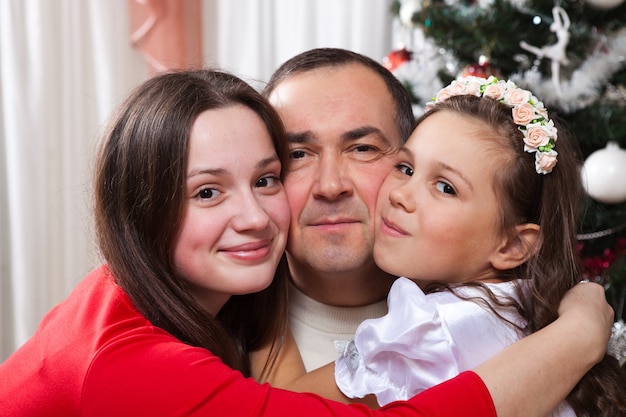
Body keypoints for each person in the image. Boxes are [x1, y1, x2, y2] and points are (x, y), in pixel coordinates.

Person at [0, 68, 504, 417]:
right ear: (141, 212)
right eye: (207, 191)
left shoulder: (198, 293)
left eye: (265, 180)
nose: (254, 217)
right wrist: (576, 336)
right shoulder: (129, 361)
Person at [256, 48, 615, 416]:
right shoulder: (208, 329)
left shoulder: (433, 326)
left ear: (512, 245)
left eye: (363, 148)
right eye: (298, 153)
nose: (330, 186)